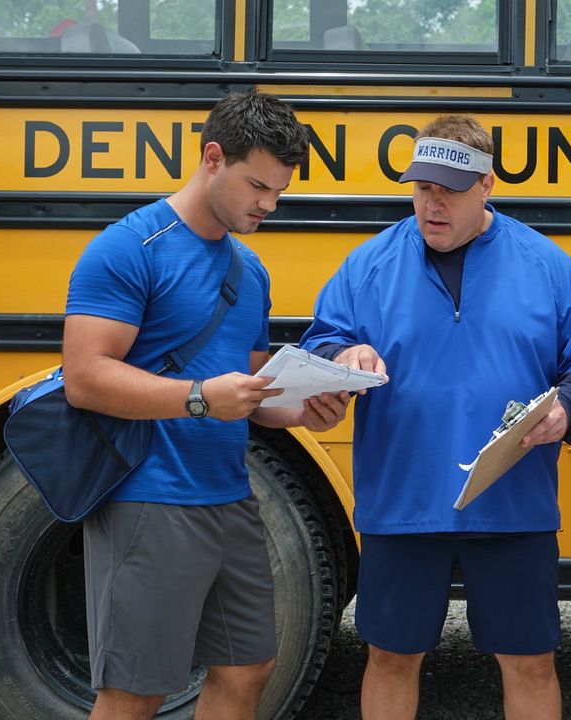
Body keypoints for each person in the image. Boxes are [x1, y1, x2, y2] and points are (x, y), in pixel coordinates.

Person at [299, 114, 571, 720]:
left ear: (488, 185)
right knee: (391, 656)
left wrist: (568, 410)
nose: (432, 203)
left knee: (529, 660)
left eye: (450, 189)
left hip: (512, 503)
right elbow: (321, 342)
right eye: (423, 187)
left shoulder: (549, 265)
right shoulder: (367, 265)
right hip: (402, 501)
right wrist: (342, 356)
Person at [62, 92, 351, 720]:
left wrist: (301, 408)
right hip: (148, 500)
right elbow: (84, 377)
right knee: (135, 690)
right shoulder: (128, 248)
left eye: (279, 192)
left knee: (249, 668)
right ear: (212, 158)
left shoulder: (249, 270)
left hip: (229, 497)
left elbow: (247, 392)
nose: (268, 205)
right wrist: (198, 397)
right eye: (257, 186)